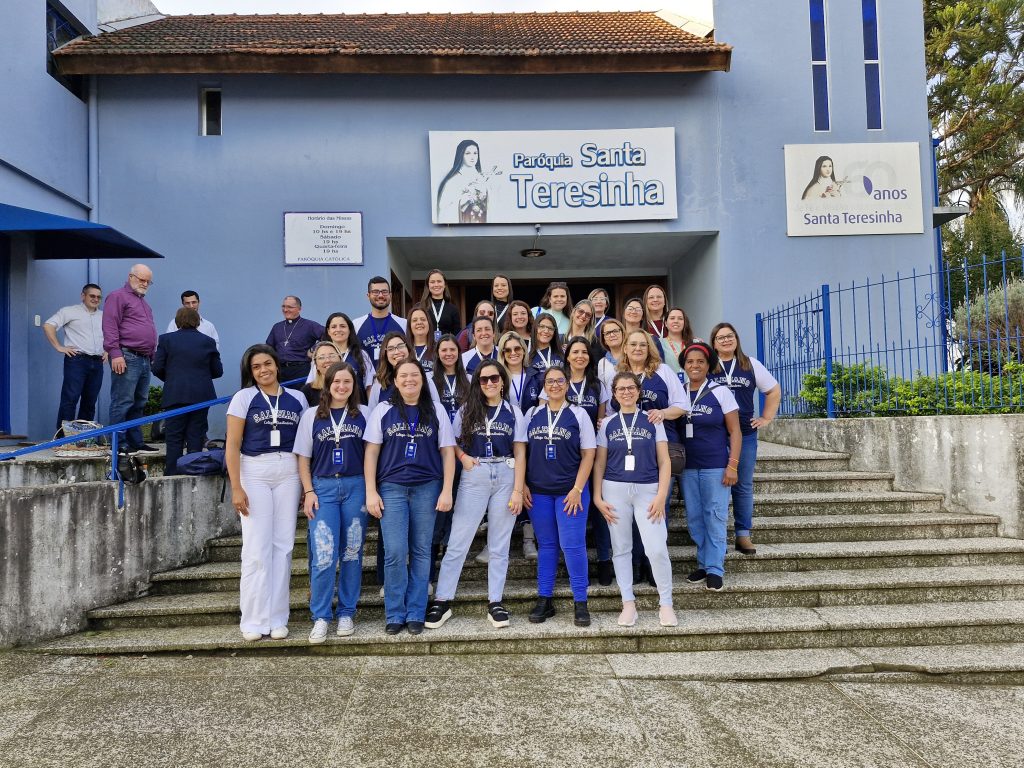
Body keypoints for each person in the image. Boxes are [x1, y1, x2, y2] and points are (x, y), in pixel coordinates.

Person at [425, 361, 527, 630]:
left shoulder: (514, 412)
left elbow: (520, 452)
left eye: (494, 378)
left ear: (503, 381)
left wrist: (518, 489)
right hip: (476, 472)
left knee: (499, 544)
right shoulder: (466, 410)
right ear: (477, 383)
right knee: (459, 539)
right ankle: (443, 599)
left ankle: (495, 601)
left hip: (505, 473)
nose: (489, 383)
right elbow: (453, 442)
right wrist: (463, 457)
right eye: (484, 380)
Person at [364, 360, 456, 635]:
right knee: (394, 552)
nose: (409, 380)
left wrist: (447, 489)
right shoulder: (383, 410)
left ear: (422, 379)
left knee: (421, 550)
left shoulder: (436, 410)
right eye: (403, 375)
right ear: (395, 380)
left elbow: (448, 452)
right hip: (391, 488)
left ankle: (416, 611)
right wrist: (371, 490)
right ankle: (395, 613)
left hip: (427, 487)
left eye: (414, 375)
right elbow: (371, 452)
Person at [225, 344, 305, 641]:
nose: (263, 370)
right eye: (257, 366)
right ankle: (253, 620)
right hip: (254, 470)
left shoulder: (297, 398)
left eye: (267, 364)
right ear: (251, 371)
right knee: (257, 548)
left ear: (277, 365)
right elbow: (232, 444)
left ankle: (277, 617)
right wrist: (236, 486)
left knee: (283, 547)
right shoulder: (244, 398)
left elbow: (305, 443)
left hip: (288, 470)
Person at [293, 361, 370, 642]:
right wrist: (308, 491)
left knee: (352, 551)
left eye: (347, 382)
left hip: (356, 485)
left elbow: (372, 454)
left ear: (354, 386)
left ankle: (347, 611)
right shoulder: (312, 415)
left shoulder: (364, 413)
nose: (341, 387)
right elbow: (303, 457)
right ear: (327, 384)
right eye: (336, 382)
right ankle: (321, 616)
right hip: (323, 487)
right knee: (324, 553)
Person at [593, 372, 677, 627]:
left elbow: (664, 461)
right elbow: (599, 463)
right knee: (621, 548)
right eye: (621, 389)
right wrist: (597, 497)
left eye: (631, 388)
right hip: (615, 489)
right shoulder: (607, 424)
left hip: (648, 489)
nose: (626, 392)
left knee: (656, 548)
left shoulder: (653, 420)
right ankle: (628, 602)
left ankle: (666, 603)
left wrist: (662, 494)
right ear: (614, 394)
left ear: (639, 391)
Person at [523, 366, 597, 627]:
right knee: (547, 546)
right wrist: (522, 484)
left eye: (559, 381)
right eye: (549, 381)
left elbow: (589, 453)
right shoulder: (531, 413)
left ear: (567, 385)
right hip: (540, 492)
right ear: (544, 385)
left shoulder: (579, 414)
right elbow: (521, 451)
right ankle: (545, 599)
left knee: (573, 545)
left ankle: (581, 601)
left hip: (570, 492)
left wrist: (577, 489)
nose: (554, 385)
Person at [709, 322, 782, 555]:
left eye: (730, 336)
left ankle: (743, 535)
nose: (726, 340)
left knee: (743, 485)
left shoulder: (750, 364)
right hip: (715, 436)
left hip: (746, 434)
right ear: (714, 343)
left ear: (736, 339)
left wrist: (766, 418)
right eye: (720, 338)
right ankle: (716, 535)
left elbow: (773, 390)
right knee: (716, 484)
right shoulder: (710, 366)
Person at [680, 341, 742, 592]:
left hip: (716, 465)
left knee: (715, 515)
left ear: (708, 366)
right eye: (690, 362)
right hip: (687, 467)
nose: (694, 366)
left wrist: (733, 465)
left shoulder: (721, 392)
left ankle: (716, 568)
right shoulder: (679, 392)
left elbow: (735, 431)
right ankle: (704, 563)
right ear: (684, 365)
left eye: (700, 362)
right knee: (695, 518)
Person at [550, 336, 612, 585]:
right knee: (569, 516)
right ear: (567, 356)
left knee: (598, 508)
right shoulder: (557, 383)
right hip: (564, 456)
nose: (580, 356)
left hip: (593, 453)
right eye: (575, 352)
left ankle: (604, 560)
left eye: (584, 352)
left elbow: (602, 418)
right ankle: (570, 563)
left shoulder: (597, 385)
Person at [151, 307, 223, 475]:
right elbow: (218, 371)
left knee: (174, 437)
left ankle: (172, 473)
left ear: (177, 322)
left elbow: (157, 368)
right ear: (197, 321)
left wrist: (171, 380)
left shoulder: (166, 339)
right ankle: (193, 470)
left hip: (175, 393)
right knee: (196, 435)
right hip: (201, 395)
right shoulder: (208, 341)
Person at [103, 263, 159, 454]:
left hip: (143, 359)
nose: (145, 284)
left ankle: (136, 442)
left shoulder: (144, 303)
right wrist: (115, 353)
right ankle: (118, 443)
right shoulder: (117, 296)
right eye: (142, 279)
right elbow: (110, 326)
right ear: (131, 277)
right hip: (126, 355)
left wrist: (152, 356)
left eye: (148, 281)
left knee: (139, 402)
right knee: (122, 401)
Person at [496, 329, 540, 561]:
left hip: (531, 437)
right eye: (508, 350)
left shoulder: (536, 375)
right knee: (508, 482)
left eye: (517, 349)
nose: (513, 353)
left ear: (524, 351)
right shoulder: (496, 376)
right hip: (504, 437)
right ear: (502, 353)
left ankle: (528, 538)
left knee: (527, 482)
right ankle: (497, 539)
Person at [43, 283, 106, 431]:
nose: (95, 299)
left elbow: (111, 335)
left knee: (90, 402)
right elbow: (48, 325)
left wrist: (108, 350)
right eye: (92, 296)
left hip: (97, 363)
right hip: (77, 360)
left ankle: (82, 440)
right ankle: (63, 440)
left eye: (98, 297)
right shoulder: (69, 311)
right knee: (70, 399)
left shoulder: (104, 316)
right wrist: (59, 347)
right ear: (83, 296)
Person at [367, 331, 442, 411]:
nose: (397, 352)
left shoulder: (425, 379)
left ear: (408, 349)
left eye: (401, 346)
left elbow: (437, 411)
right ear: (385, 354)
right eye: (391, 349)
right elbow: (372, 414)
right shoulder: (379, 383)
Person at [265, 296, 324, 385]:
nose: (285, 310)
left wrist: (313, 349)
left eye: (290, 307)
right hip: (280, 371)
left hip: (301, 370)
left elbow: (328, 336)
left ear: (299, 309)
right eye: (283, 306)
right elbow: (268, 348)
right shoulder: (277, 327)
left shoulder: (309, 325)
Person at [317, 312, 374, 395]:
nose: (338, 329)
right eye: (334, 327)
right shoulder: (320, 356)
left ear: (349, 330)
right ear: (328, 331)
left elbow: (369, 387)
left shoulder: (362, 354)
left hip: (358, 406)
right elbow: (314, 385)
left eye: (342, 326)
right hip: (328, 406)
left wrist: (370, 408)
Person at [353, 276, 407, 363]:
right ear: (368, 295)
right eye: (375, 292)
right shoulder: (356, 324)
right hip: (367, 376)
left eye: (384, 292)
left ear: (390, 295)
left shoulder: (403, 323)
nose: (381, 295)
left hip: (395, 376)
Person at [436, 138, 490, 224]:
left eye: (475, 153)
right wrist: (461, 202)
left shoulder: (483, 179)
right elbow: (443, 208)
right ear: (461, 155)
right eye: (468, 153)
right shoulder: (454, 181)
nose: (472, 157)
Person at [432, 334, 470, 424]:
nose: (448, 353)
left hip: (464, 431)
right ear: (437, 353)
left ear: (458, 352)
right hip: (440, 430)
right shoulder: (430, 380)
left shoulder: (469, 379)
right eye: (444, 350)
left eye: (452, 349)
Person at [419, 268, 461, 338]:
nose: (436, 284)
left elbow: (457, 335)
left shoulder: (453, 309)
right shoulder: (420, 307)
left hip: (445, 347)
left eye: (439, 281)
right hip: (426, 347)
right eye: (432, 282)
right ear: (428, 285)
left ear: (444, 285)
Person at [622, 296, 666, 361]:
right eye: (630, 308)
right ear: (624, 313)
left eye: (638, 309)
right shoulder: (617, 337)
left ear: (643, 316)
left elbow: (660, 364)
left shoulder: (653, 339)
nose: (634, 312)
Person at [300, 341, 343, 407]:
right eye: (321, 357)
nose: (327, 360)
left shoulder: (351, 386)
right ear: (316, 365)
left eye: (332, 356)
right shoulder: (307, 391)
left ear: (340, 360)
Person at [597, 318, 627, 392]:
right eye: (607, 333)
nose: (612, 335)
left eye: (615, 331)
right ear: (604, 340)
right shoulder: (602, 363)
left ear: (623, 334)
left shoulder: (632, 357)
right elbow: (602, 393)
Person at [663, 307, 694, 377]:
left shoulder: (696, 343)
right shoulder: (658, 343)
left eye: (680, 318)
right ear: (665, 323)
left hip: (692, 385)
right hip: (669, 385)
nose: (676, 321)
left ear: (684, 323)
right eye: (672, 318)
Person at [406, 306, 436, 373]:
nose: (419, 322)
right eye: (414, 320)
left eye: (423, 319)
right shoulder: (404, 349)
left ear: (429, 323)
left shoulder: (438, 349)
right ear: (409, 325)